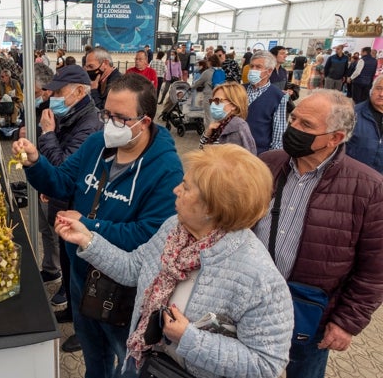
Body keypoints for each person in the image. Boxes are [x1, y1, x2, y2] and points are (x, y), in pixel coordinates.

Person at [55, 144, 293, 378]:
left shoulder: (259, 277)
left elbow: (266, 364)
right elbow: (133, 268)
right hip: (141, 361)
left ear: (212, 207)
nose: (175, 190)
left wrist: (189, 338)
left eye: (186, 188)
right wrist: (88, 240)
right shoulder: (174, 229)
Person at [12, 74, 183, 378]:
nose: (110, 124)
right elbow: (62, 182)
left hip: (122, 292)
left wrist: (89, 227)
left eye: (120, 117)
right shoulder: (97, 144)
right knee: (95, 359)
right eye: (107, 114)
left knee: (125, 361)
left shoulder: (166, 169)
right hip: (81, 276)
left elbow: (149, 235)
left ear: (144, 122)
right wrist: (36, 162)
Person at [254, 89, 383, 378]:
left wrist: (347, 321)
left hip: (310, 316)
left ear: (336, 138)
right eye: (294, 119)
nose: (294, 129)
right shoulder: (267, 164)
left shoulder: (370, 189)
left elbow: (374, 270)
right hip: (253, 303)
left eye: (306, 125)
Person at [37, 65, 104, 336]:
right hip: (63, 202)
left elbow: (64, 167)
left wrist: (47, 134)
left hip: (77, 206)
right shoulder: (72, 114)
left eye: (59, 92)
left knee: (80, 270)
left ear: (79, 91)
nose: (53, 97)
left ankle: (84, 329)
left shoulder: (89, 123)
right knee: (67, 262)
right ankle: (73, 312)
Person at [245, 51, 288, 154]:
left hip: (258, 152)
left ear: (269, 71)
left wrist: (271, 157)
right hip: (234, 149)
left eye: (258, 67)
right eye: (252, 66)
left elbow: (279, 133)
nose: (253, 70)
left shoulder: (278, 96)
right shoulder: (240, 90)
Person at [200, 82, 256, 154]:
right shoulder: (219, 125)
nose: (213, 104)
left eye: (218, 101)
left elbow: (247, 159)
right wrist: (207, 135)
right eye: (212, 101)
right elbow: (202, 153)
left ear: (234, 105)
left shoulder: (238, 127)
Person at [346, 75, 383, 173]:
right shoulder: (352, 114)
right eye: (379, 88)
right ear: (372, 89)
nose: (381, 94)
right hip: (353, 176)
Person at [192, 54, 221, 127]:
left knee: (208, 117)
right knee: (216, 117)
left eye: (208, 61)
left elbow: (198, 82)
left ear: (210, 62)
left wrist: (191, 87)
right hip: (219, 97)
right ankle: (216, 135)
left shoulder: (207, 72)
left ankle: (209, 135)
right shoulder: (221, 71)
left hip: (209, 96)